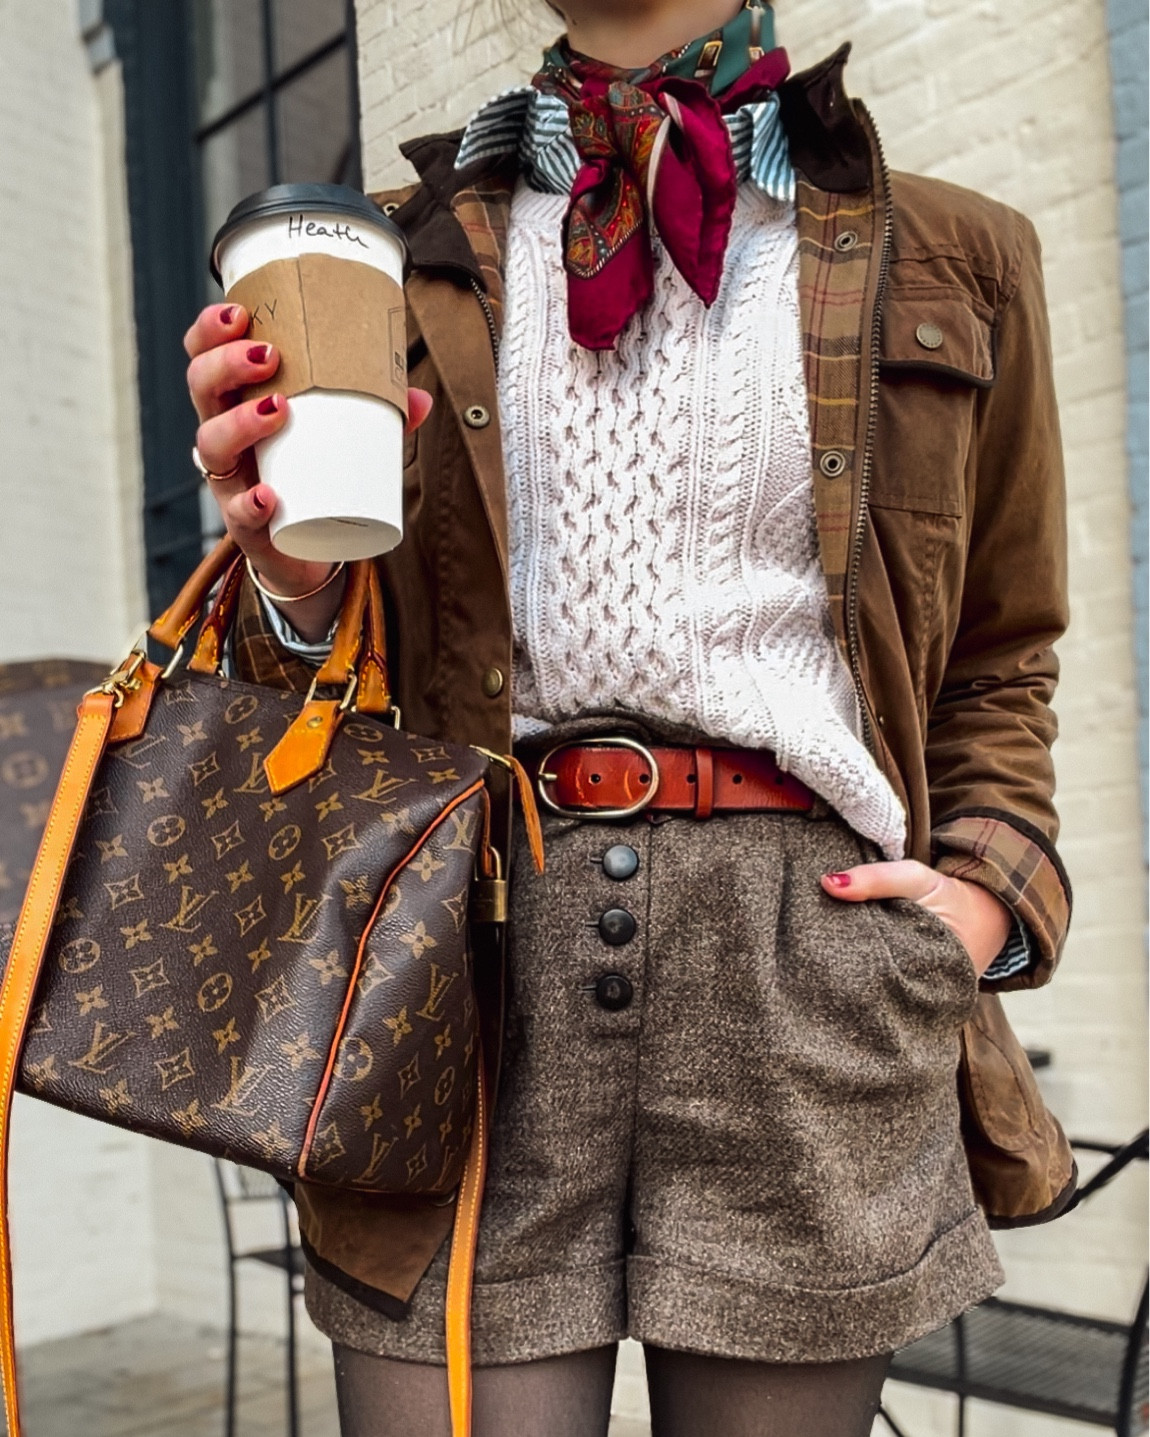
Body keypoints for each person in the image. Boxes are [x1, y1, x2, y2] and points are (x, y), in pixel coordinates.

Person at [182, 2, 1072, 1433]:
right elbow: (311, 721)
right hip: (464, 969)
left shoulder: (955, 254)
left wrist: (976, 903)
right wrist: (286, 580)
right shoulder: (381, 263)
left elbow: (1001, 654)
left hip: (805, 964)